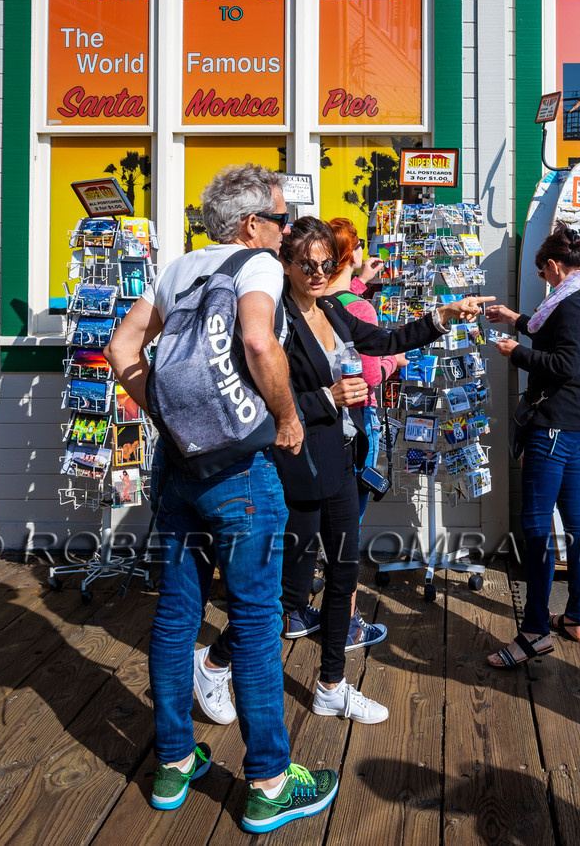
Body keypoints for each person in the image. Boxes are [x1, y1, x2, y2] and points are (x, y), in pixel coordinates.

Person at [104, 165, 337, 832]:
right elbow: (260, 341)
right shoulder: (255, 265)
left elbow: (122, 346)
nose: (288, 230)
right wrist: (287, 416)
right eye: (281, 219)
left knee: (176, 615)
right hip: (241, 474)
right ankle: (267, 781)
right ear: (250, 226)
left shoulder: (177, 269)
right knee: (258, 619)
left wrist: (171, 420)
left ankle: (174, 762)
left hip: (177, 470)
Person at [199, 216, 493, 725]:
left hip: (340, 459)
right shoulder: (273, 320)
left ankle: (332, 684)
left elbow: (383, 340)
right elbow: (257, 395)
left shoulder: (333, 308)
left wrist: (443, 315)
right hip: (294, 463)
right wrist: (326, 397)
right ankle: (215, 660)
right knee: (281, 588)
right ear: (285, 264)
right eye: (306, 264)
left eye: (326, 264)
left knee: (343, 572)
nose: (317, 273)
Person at [481, 224, 580, 668]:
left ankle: (534, 631)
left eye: (543, 272)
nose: (544, 279)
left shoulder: (572, 303)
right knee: (577, 521)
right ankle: (575, 617)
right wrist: (514, 319)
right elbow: (555, 336)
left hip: (556, 426)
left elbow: (563, 362)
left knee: (536, 525)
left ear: (555, 266)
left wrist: (514, 351)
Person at [324, 216, 404, 520]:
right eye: (358, 246)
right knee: (350, 511)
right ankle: (342, 565)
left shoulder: (316, 299)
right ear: (351, 255)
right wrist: (392, 360)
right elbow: (370, 375)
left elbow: (340, 303)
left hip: (325, 410)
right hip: (358, 414)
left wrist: (361, 282)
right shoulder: (361, 308)